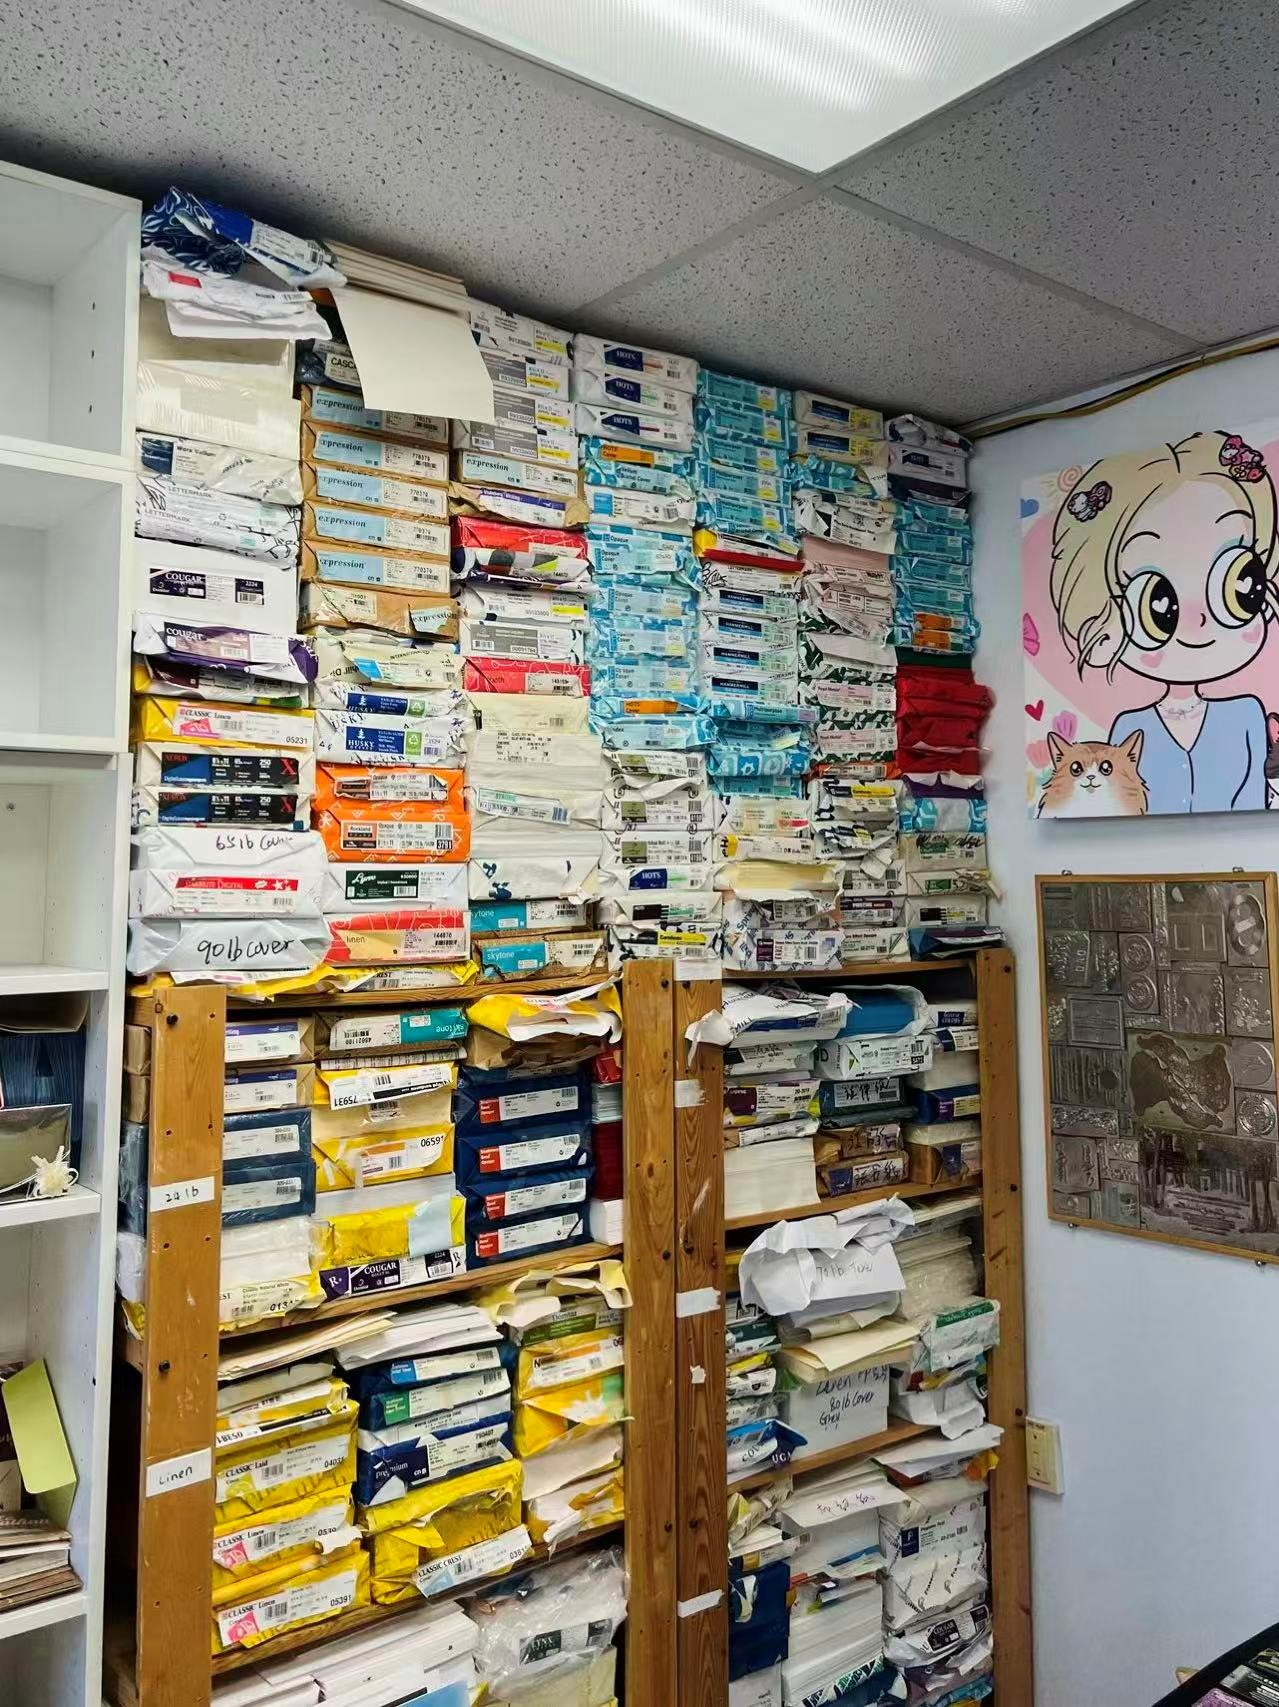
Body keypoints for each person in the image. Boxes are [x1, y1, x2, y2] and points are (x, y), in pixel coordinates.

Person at [1049, 430, 1279, 813]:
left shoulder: (1246, 714)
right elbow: (1126, 806)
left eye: (1240, 585)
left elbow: (1255, 797)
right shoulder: (1128, 728)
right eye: (1156, 604)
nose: (1198, 619)